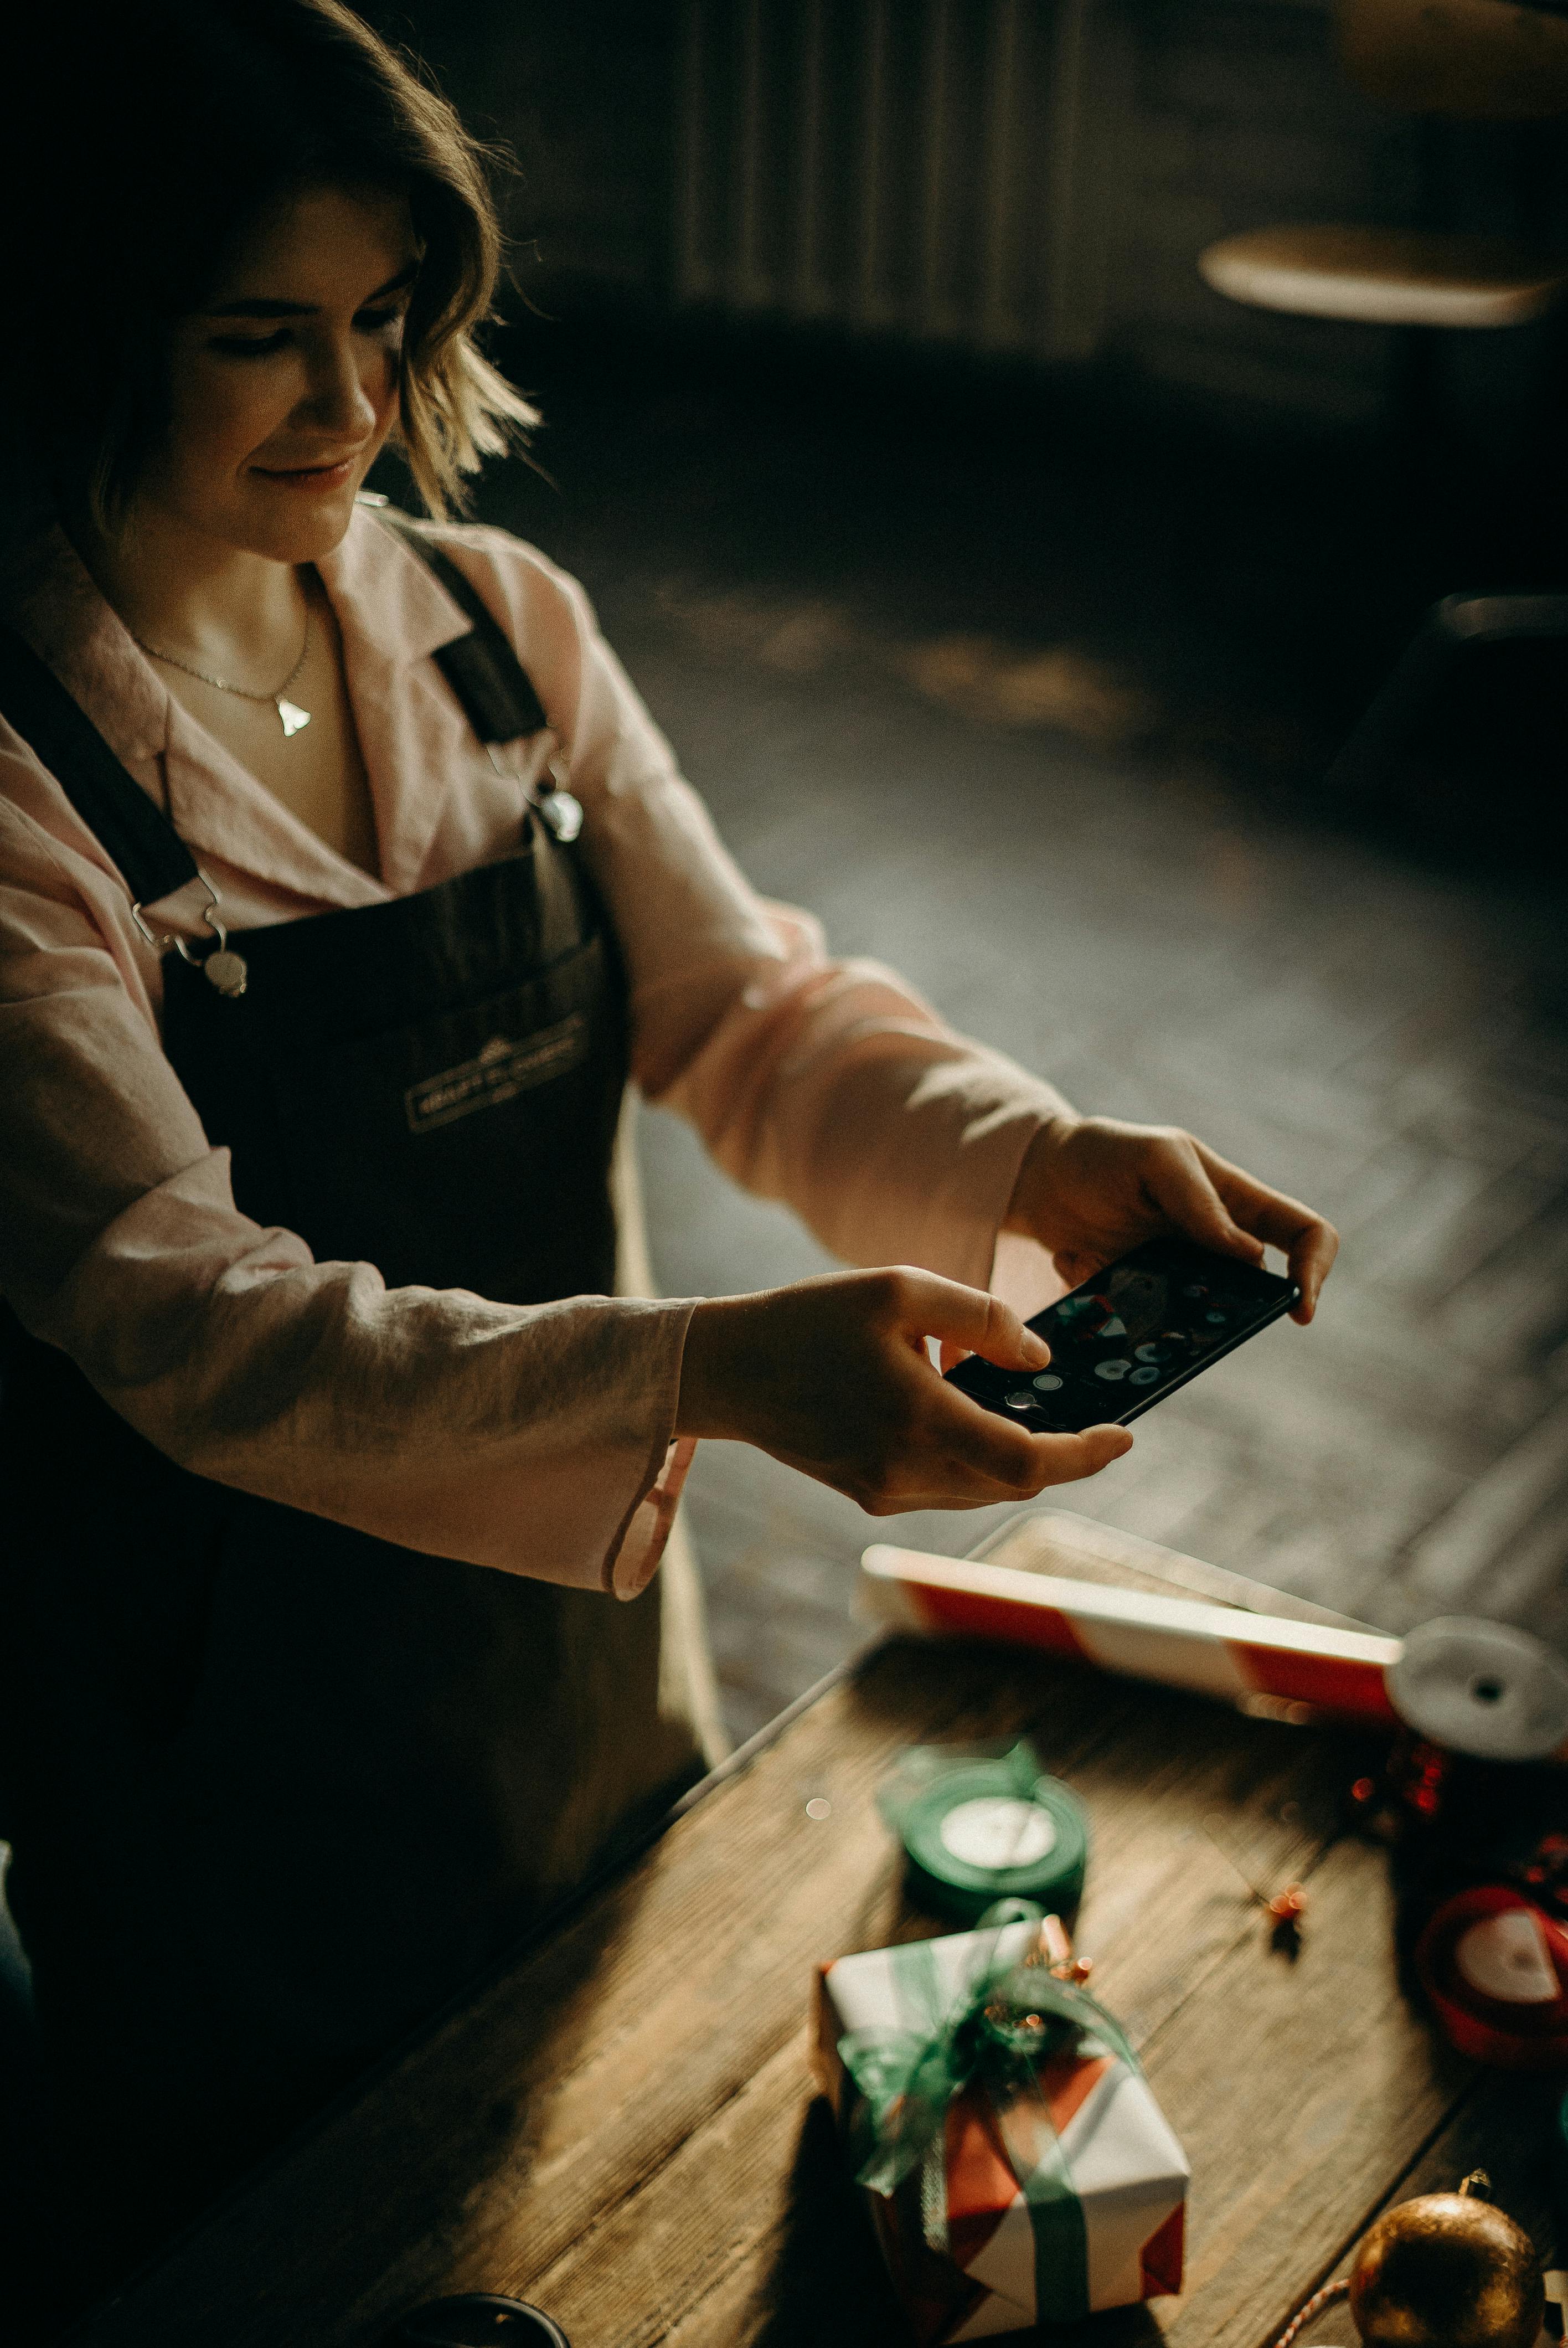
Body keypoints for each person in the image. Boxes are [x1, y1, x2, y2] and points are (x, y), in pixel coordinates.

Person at [0, 0, 1338, 2280]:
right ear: (61, 326)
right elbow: (188, 1318)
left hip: (572, 1635)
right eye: (264, 337)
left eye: (389, 320)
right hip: (221, 1715)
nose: (357, 405)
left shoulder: (500, 632)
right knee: (285, 2237)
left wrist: (1032, 1162)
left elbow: (747, 1007)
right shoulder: (29, 773)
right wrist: (711, 1371)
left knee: (586, 2147)